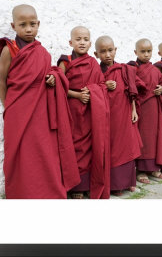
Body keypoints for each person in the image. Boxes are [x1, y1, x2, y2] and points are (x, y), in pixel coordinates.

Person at [0, 4, 80, 199]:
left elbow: (48, 73)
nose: (28, 29)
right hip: (18, 108)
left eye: (32, 24)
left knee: (42, 151)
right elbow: (1, 81)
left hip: (40, 110)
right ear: (13, 25)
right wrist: (8, 107)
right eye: (22, 24)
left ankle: (45, 191)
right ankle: (21, 192)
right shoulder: (10, 50)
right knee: (20, 152)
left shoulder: (42, 52)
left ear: (38, 24)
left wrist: (52, 78)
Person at [58, 26, 110, 199]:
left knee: (89, 147)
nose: (82, 42)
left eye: (85, 39)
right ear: (70, 42)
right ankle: (74, 186)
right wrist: (78, 95)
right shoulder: (65, 61)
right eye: (78, 39)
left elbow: (101, 85)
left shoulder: (93, 63)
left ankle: (87, 184)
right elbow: (59, 86)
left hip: (90, 112)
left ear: (90, 43)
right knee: (73, 146)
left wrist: (94, 91)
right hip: (71, 111)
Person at [94, 35, 142, 196]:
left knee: (128, 146)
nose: (107, 55)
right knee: (113, 149)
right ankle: (115, 184)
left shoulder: (124, 69)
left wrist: (134, 110)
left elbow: (131, 91)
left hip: (125, 112)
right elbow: (91, 88)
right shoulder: (96, 70)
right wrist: (103, 86)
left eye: (110, 50)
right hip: (107, 116)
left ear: (115, 50)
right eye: (103, 52)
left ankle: (128, 182)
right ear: (96, 54)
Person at [128, 39, 162, 183]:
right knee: (144, 139)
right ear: (135, 52)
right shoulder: (132, 68)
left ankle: (154, 168)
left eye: (148, 51)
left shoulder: (155, 69)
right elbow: (130, 87)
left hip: (155, 109)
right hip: (141, 109)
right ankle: (141, 170)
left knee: (156, 138)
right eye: (142, 51)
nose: (146, 54)